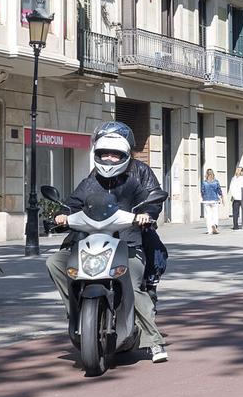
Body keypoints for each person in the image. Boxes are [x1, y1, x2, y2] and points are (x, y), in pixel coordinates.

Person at [46, 121, 169, 362]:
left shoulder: (139, 174)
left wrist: (146, 216)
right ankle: (75, 310)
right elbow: (75, 203)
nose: (110, 158)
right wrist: (62, 216)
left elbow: (152, 198)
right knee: (55, 262)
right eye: (105, 153)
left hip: (128, 242)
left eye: (115, 154)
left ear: (125, 151)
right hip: (90, 240)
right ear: (98, 153)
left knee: (132, 283)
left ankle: (153, 341)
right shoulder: (91, 179)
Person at [201, 168, 223, 234]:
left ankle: (209, 230)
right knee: (215, 214)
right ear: (213, 173)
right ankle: (214, 224)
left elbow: (202, 191)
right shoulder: (216, 182)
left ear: (206, 174)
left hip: (206, 200)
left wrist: (203, 196)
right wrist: (221, 196)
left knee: (208, 215)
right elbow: (219, 190)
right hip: (214, 200)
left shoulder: (204, 182)